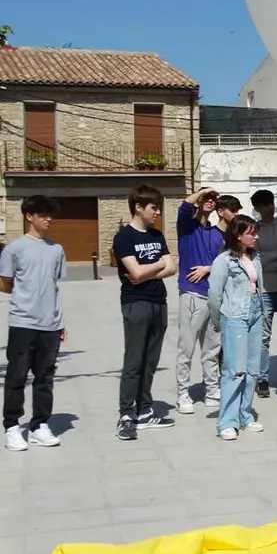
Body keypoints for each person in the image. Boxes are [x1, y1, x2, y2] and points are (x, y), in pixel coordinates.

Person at [1, 196, 67, 451]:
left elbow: (54, 287)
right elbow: (4, 283)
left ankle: (40, 425)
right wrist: (26, 298)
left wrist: (60, 321)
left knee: (45, 378)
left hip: (50, 324)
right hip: (22, 323)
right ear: (29, 216)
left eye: (50, 215)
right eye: (43, 214)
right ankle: (12, 427)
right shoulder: (14, 249)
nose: (49, 219)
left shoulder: (56, 249)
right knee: (17, 377)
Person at [113, 185, 178, 441]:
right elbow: (135, 275)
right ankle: (126, 415)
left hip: (158, 301)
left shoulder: (157, 235)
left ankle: (144, 411)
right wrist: (158, 265)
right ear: (138, 207)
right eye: (154, 207)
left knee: (150, 361)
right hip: (135, 303)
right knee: (134, 361)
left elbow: (171, 268)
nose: (158, 212)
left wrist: (150, 269)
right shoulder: (124, 238)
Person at [208, 216, 265, 441]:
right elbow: (214, 294)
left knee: (253, 368)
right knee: (234, 369)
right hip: (234, 315)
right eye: (251, 232)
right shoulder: (224, 260)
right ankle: (226, 421)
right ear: (238, 235)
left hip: (255, 312)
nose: (256, 236)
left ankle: (245, 414)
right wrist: (218, 320)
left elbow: (259, 286)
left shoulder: (255, 257)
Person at [175, 187, 223, 415]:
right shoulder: (187, 227)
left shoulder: (216, 234)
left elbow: (224, 264)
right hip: (192, 294)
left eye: (214, 199)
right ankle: (183, 393)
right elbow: (183, 207)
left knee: (212, 349)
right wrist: (202, 191)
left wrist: (208, 268)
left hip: (212, 296)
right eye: (206, 198)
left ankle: (212, 390)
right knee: (187, 347)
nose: (210, 201)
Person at [251, 189, 277, 399]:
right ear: (257, 208)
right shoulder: (254, 230)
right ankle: (262, 379)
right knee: (262, 339)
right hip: (264, 290)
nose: (270, 207)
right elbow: (256, 261)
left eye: (271, 203)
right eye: (265, 204)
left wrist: (270, 259)